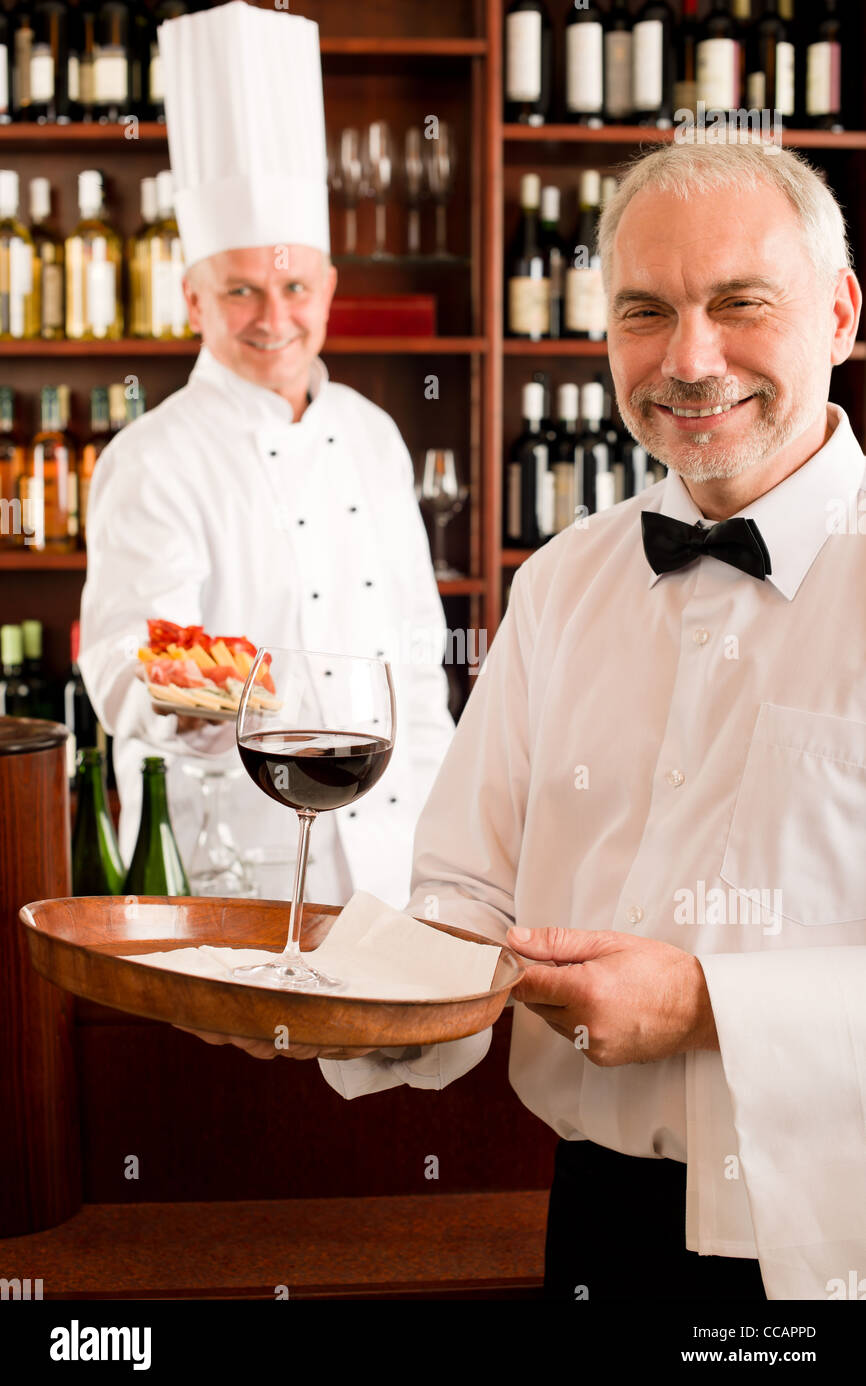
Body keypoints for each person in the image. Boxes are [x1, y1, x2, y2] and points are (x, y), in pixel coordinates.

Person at [313, 136, 866, 1302]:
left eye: (737, 302)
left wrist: (710, 1004)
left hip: (831, 1232)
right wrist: (348, 998)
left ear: (838, 312)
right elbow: (466, 890)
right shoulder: (559, 582)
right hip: (593, 1220)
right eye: (643, 310)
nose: (688, 358)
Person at [79, 3, 454, 914]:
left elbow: (415, 651)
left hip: (407, 850)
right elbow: (123, 666)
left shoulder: (372, 432)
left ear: (328, 289)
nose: (272, 315)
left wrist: (459, 826)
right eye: (239, 289)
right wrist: (201, 693)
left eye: (292, 287)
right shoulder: (151, 456)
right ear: (194, 298)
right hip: (232, 857)